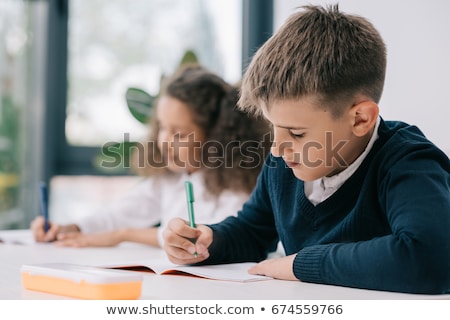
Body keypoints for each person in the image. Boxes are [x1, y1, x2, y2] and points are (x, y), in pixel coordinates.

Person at [162, 5, 450, 294]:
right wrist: (208, 241)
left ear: (361, 118)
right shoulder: (284, 161)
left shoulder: (409, 161)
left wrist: (300, 264)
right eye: (273, 127)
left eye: (297, 133)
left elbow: (430, 257)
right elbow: (252, 231)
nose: (276, 149)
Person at [30, 64, 271, 248]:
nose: (165, 140)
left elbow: (204, 235)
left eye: (179, 133)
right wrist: (69, 228)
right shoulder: (169, 179)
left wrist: (122, 235)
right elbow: (120, 213)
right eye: (162, 128)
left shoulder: (238, 187)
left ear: (217, 138)